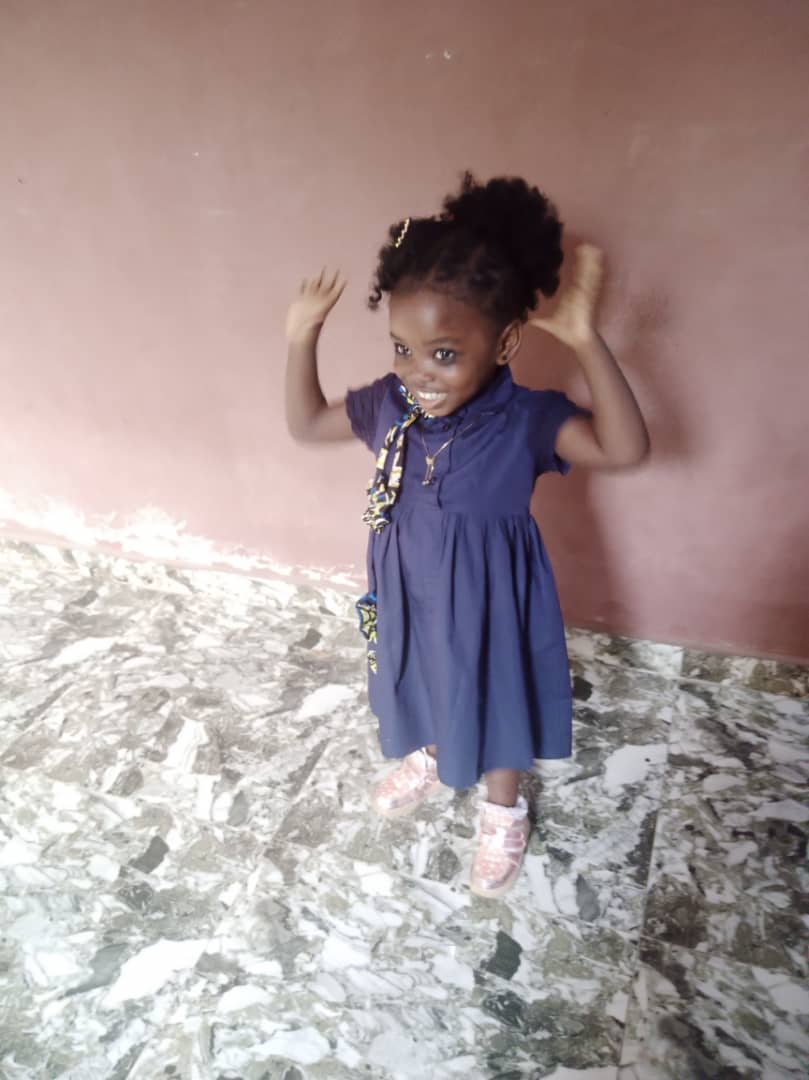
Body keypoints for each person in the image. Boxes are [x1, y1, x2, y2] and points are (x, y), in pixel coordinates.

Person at [285, 173, 649, 898]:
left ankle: (502, 809)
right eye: (402, 348)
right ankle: (432, 750)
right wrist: (302, 336)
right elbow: (306, 425)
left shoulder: (527, 420)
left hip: (490, 596)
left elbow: (625, 448)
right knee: (421, 672)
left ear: (506, 340)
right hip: (408, 586)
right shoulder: (389, 404)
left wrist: (585, 340)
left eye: (444, 354)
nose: (418, 372)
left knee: (496, 688)